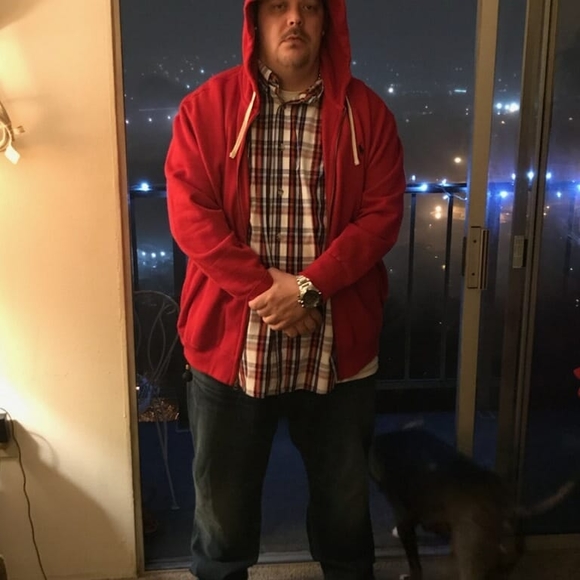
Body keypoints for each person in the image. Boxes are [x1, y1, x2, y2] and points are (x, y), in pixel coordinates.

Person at [165, 1, 406, 578]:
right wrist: (269, 291)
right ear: (256, 21)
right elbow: (191, 216)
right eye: (278, 6)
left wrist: (308, 289)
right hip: (233, 350)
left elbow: (381, 216)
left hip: (337, 351)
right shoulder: (206, 108)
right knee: (221, 520)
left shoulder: (368, 114)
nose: (293, 18)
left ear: (327, 22)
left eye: (308, 7)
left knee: (345, 515)